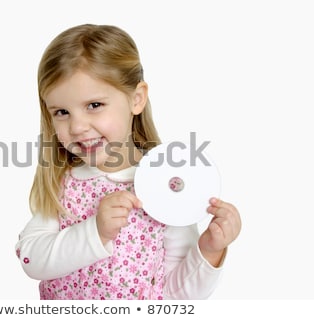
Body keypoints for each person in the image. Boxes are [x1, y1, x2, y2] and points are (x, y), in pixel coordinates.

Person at [15, 24, 241, 300]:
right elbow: (31, 259)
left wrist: (209, 251)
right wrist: (94, 232)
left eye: (94, 105)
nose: (77, 127)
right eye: (62, 112)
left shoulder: (165, 185)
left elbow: (177, 298)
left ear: (136, 99)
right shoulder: (62, 183)